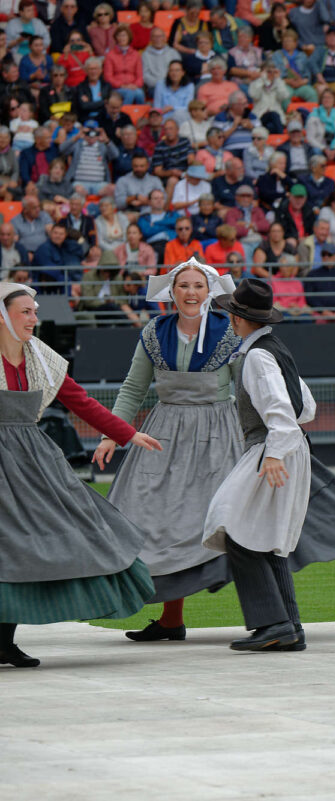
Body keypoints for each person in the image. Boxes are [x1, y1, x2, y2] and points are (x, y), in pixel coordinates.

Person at [203, 278, 335, 651]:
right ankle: (286, 625)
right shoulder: (275, 348)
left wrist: (276, 453)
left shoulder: (257, 357)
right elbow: (306, 407)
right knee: (265, 537)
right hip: (285, 446)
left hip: (272, 449)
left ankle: (276, 624)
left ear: (236, 319)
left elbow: (280, 412)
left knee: (235, 526)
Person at [0, 281, 162, 668]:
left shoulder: (40, 358)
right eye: (25, 312)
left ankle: (4, 641)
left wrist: (126, 431)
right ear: (3, 316)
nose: (34, 318)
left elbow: (80, 400)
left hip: (30, 462)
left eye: (35, 311)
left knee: (31, 544)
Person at [91, 261, 241, 643]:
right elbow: (132, 388)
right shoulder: (154, 333)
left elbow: (252, 388)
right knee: (151, 518)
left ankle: (272, 617)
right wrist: (112, 434)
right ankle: (171, 619)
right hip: (164, 435)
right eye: (183, 285)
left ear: (210, 292)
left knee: (227, 523)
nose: (191, 292)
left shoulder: (230, 332)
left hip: (218, 436)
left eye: (197, 286)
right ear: (171, 292)